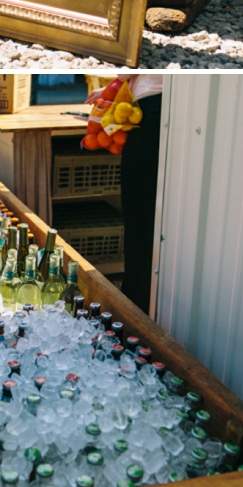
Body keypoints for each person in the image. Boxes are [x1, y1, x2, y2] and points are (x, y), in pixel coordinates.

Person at [86, 74, 163, 313]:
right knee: (152, 213)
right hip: (155, 109)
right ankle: (145, 298)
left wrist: (114, 86)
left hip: (149, 112)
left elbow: (126, 71)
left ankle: (136, 304)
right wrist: (111, 92)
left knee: (139, 212)